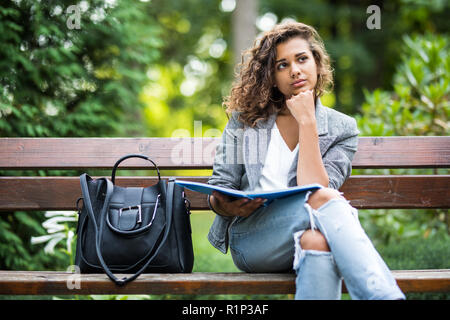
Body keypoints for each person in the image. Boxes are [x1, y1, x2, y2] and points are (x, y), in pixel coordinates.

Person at [206, 21, 405, 300]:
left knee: (317, 241)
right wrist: (228, 205)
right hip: (253, 239)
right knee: (326, 199)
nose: (295, 70)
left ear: (317, 64)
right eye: (282, 65)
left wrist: (308, 122)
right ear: (272, 76)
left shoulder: (343, 129)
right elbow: (219, 188)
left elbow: (315, 189)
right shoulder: (245, 121)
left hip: (311, 229)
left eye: (302, 59)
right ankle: (383, 296)